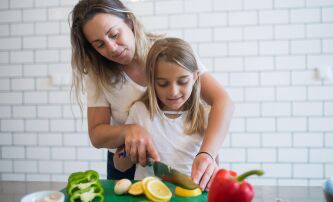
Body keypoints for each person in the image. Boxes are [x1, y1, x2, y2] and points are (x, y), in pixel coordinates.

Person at [70, 0, 234, 190]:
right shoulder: (99, 73)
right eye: (99, 45)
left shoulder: (168, 53)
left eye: (114, 34)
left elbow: (223, 101)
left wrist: (207, 154)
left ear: (129, 21)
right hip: (127, 166)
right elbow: (97, 135)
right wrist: (128, 131)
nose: (112, 48)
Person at [114, 37, 211, 184]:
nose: (173, 92)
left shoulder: (205, 114)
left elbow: (212, 164)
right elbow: (119, 164)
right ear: (151, 82)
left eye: (183, 81)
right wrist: (130, 152)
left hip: (191, 196)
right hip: (148, 195)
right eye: (163, 83)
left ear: (195, 77)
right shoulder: (140, 112)